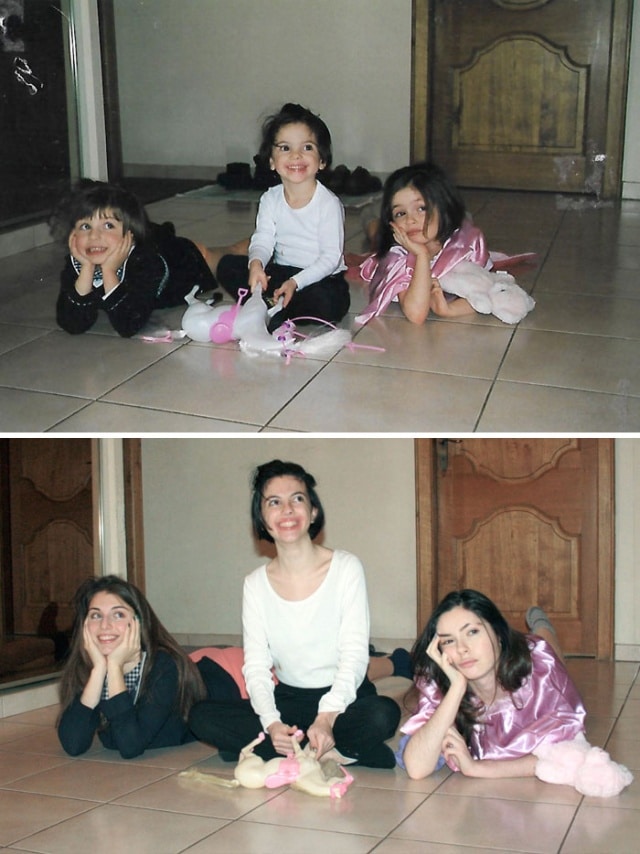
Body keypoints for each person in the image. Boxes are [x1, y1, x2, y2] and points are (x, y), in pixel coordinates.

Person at [189, 459, 401, 768]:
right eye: (274, 502)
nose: (287, 510)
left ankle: (288, 749)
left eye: (297, 499)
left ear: (313, 511)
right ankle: (334, 751)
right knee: (201, 716)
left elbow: (355, 655)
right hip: (289, 701)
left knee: (384, 714)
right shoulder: (255, 584)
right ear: (262, 518)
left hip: (343, 700)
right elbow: (256, 665)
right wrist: (272, 723)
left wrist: (326, 718)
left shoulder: (346, 568)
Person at [397, 589, 587, 781]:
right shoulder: (441, 683)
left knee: (549, 646)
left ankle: (542, 624)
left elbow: (567, 752)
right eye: (449, 641)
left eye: (472, 632)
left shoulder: (540, 670)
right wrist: (456, 689)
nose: (462, 649)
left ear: (498, 633)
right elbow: (416, 768)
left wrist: (479, 768)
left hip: (525, 658)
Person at [57, 575, 239, 758]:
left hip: (232, 674)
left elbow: (130, 746)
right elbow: (73, 745)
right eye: (96, 615)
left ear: (139, 622)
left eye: (118, 615)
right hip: (194, 665)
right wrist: (98, 670)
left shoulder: (164, 667)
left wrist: (114, 667)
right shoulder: (90, 664)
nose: (105, 625)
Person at [212, 104, 350, 333]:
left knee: (328, 302)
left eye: (307, 147)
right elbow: (263, 239)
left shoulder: (328, 203)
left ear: (322, 160)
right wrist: (256, 264)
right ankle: (275, 305)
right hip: (281, 272)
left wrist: (296, 283)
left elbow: (331, 258)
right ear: (271, 161)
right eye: (285, 148)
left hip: (319, 278)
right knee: (228, 266)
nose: (296, 155)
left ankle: (275, 307)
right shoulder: (270, 198)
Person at [353, 162, 534, 326]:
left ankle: (445, 213)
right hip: (392, 238)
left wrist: (450, 310)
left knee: (463, 219)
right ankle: (373, 213)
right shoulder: (397, 258)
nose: (410, 220)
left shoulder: (466, 244)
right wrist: (421, 256)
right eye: (401, 214)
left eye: (421, 208)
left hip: (448, 224)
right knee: (376, 232)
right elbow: (416, 314)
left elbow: (483, 292)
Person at [51, 179, 217, 337]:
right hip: (148, 242)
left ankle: (231, 248)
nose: (94, 236)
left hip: (179, 259)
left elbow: (128, 325)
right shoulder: (79, 262)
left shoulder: (146, 263)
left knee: (212, 257)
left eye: (108, 225)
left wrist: (109, 272)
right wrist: (86, 270)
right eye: (85, 226)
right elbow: (72, 324)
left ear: (129, 235)